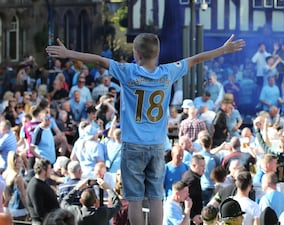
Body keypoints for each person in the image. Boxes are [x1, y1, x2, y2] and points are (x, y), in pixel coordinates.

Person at [46, 33, 245, 225]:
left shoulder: (127, 72)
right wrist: (222, 50)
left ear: (137, 55)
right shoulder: (168, 72)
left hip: (133, 145)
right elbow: (195, 59)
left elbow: (98, 60)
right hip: (158, 145)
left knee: (134, 199)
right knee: (156, 197)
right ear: (156, 54)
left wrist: (69, 53)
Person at [26, 158, 59, 225]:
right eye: (49, 169)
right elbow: (39, 210)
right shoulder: (35, 186)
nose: (51, 171)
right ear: (43, 170)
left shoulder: (43, 182)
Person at [2, 152, 28, 221]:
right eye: (19, 162)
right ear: (14, 163)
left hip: (7, 208)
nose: (22, 164)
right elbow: (23, 195)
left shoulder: (5, 174)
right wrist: (29, 210)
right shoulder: (18, 177)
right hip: (19, 209)